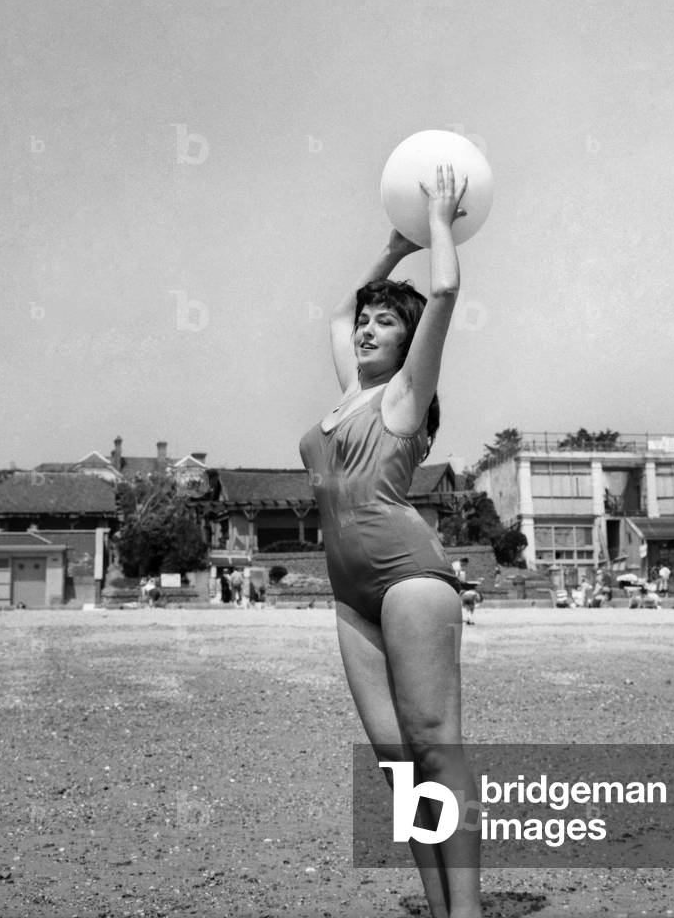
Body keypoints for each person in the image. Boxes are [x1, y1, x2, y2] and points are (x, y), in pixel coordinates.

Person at [299, 163, 481, 918]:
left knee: (434, 742)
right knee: (394, 762)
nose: (369, 327)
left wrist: (438, 219)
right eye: (369, 323)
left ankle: (465, 911)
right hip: (349, 593)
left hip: (409, 579)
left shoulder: (405, 396)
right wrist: (391, 246)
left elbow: (444, 293)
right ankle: (438, 910)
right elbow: (339, 312)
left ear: (408, 347)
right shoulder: (350, 398)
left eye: (385, 322)